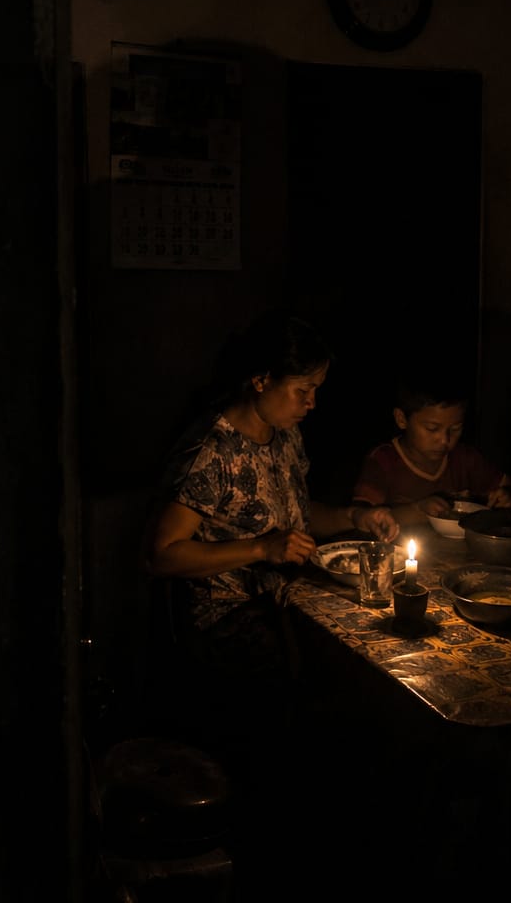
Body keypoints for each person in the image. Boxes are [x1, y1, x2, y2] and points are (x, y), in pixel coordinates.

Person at [140, 310, 399, 852]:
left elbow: (298, 519)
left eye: (316, 389)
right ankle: (274, 829)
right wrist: (261, 548)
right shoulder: (211, 451)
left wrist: (355, 517)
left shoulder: (284, 436)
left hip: (288, 601)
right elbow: (162, 555)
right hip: (224, 617)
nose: (312, 403)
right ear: (261, 380)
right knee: (303, 703)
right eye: (303, 390)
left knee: (377, 650)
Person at [349, 369, 511, 531]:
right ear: (401, 419)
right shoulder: (383, 462)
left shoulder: (466, 459)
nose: (445, 440)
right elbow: (361, 518)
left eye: (455, 429)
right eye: (432, 428)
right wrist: (417, 511)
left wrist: (508, 496)